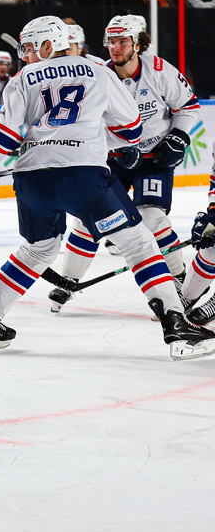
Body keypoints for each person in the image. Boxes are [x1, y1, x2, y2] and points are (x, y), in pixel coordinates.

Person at [0, 15, 214, 360]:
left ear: (48, 46)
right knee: (137, 242)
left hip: (30, 181)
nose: (24, 55)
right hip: (83, 178)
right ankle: (177, 326)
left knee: (38, 249)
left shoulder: (22, 78)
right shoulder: (98, 70)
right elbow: (131, 128)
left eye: (28, 48)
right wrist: (110, 143)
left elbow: (5, 135)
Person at [50, 16, 199, 314]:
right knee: (86, 218)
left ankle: (180, 280)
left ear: (137, 44)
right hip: (114, 160)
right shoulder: (99, 75)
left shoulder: (159, 70)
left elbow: (188, 106)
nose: (116, 48)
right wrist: (115, 145)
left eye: (123, 42)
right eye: (112, 42)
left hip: (155, 159)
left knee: (152, 218)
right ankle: (68, 280)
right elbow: (87, 122)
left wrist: (178, 137)